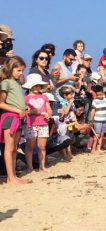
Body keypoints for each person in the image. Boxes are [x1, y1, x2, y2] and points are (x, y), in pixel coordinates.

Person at [0, 56, 32, 184]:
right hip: (10, 118)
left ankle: (13, 176)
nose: (21, 73)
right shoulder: (5, 82)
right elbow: (1, 103)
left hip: (19, 118)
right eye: (18, 70)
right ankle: (11, 177)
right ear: (11, 68)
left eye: (22, 71)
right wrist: (18, 110)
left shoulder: (18, 84)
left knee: (14, 148)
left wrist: (25, 108)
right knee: (9, 148)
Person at [22, 74, 51, 172]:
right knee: (30, 146)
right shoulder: (25, 98)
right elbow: (25, 112)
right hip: (31, 125)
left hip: (43, 123)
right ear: (29, 86)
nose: (37, 87)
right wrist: (34, 112)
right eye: (34, 85)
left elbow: (48, 109)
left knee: (42, 146)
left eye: (38, 85)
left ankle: (42, 166)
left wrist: (48, 114)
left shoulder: (44, 97)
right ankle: (30, 167)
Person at [89, 85, 106, 152]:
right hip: (97, 120)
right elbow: (93, 111)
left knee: (102, 134)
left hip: (104, 120)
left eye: (101, 94)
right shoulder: (95, 101)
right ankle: (93, 149)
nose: (99, 96)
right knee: (97, 135)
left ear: (103, 93)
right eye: (98, 95)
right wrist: (91, 120)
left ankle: (98, 148)